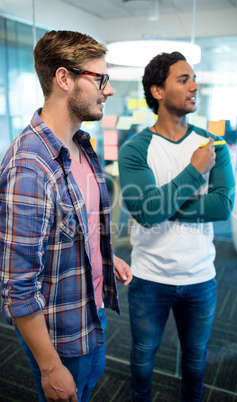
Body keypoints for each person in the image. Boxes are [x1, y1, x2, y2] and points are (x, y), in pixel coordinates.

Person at [0, 30, 132, 402]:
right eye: (100, 79)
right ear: (64, 78)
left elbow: (75, 228)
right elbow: (18, 286)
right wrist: (50, 367)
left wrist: (105, 258)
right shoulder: (30, 167)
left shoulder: (81, 147)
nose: (107, 90)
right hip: (61, 336)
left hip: (91, 313)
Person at [118, 51, 235, 401]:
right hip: (149, 277)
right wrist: (195, 171)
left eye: (194, 78)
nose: (194, 86)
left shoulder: (213, 145)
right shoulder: (136, 148)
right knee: (143, 354)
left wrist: (159, 205)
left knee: (196, 358)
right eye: (183, 79)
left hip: (200, 276)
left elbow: (223, 206)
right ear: (157, 91)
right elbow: (144, 210)